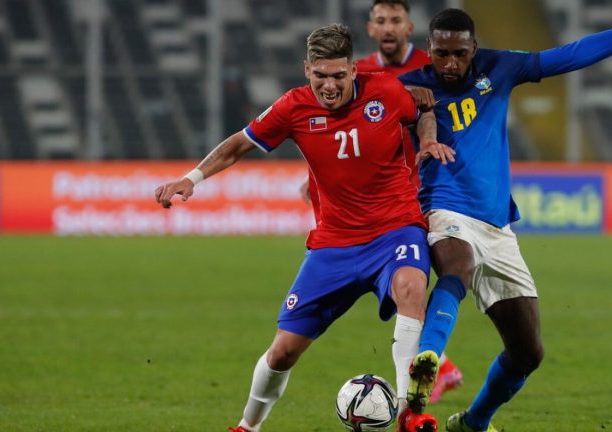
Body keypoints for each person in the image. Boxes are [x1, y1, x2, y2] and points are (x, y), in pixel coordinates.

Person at [398, 2, 612, 431]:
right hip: (443, 206)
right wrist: (399, 95)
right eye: (441, 53)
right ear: (429, 49)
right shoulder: (408, 85)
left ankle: (473, 423)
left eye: (459, 54)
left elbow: (571, 54)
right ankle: (426, 364)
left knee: (527, 353)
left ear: (474, 48)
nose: (450, 63)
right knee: (456, 267)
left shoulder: (499, 67)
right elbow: (351, 96)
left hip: (498, 226)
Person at [155, 23, 446, 432]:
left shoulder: (387, 91)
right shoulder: (293, 107)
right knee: (282, 353)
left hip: (395, 228)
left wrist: (429, 140)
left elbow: (424, 114)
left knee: (411, 288)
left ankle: (408, 414)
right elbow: (238, 144)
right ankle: (246, 427)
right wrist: (192, 178)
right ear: (306, 68)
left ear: (353, 70)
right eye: (320, 76)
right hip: (334, 245)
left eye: (339, 76)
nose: (329, 86)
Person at [300, 0, 465, 404]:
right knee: (398, 285)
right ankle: (437, 365)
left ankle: (431, 370)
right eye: (380, 20)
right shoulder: (355, 74)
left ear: (410, 27)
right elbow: (332, 134)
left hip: (416, 190)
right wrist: (314, 181)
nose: (388, 27)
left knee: (413, 280)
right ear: (370, 29)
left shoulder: (435, 64)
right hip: (362, 200)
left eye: (396, 19)